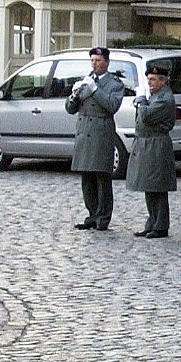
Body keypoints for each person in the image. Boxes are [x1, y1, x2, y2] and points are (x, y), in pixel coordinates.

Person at [67, 47, 126, 231]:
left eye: (98, 60)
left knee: (102, 178)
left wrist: (95, 90)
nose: (95, 64)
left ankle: (103, 216)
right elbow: (70, 109)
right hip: (85, 133)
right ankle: (92, 214)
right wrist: (73, 96)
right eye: (92, 60)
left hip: (101, 133)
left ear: (106, 62)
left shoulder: (114, 83)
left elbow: (112, 105)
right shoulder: (87, 80)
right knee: (87, 178)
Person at [128, 65, 178, 238]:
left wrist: (141, 100)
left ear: (163, 81)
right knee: (149, 186)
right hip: (148, 142)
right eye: (148, 79)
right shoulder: (156, 96)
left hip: (157, 144)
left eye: (153, 79)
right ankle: (152, 222)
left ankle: (161, 225)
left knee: (157, 186)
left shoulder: (165, 98)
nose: (150, 83)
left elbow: (147, 115)